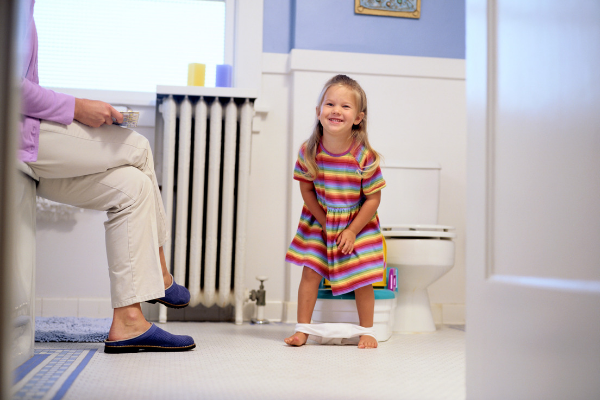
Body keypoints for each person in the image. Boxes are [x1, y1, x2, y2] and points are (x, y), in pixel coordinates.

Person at [20, 0, 195, 354]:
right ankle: (161, 274)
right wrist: (76, 108)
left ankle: (129, 322)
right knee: (139, 147)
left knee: (135, 186)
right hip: (21, 139)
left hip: (30, 141)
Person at [284, 75, 386, 349]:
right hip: (319, 219)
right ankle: (302, 329)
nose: (336, 111)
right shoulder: (309, 151)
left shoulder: (364, 156)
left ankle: (368, 331)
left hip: (358, 222)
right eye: (329, 104)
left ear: (358, 118)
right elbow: (306, 190)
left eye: (345, 106)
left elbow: (373, 199)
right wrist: (324, 221)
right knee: (310, 272)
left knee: (362, 276)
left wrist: (351, 231)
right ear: (319, 112)